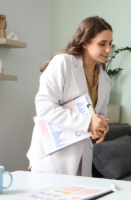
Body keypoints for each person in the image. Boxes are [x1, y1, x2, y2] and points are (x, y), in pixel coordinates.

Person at [27, 16, 112, 176]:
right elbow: (44, 107)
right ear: (85, 42)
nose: (108, 50)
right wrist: (87, 122)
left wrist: (100, 127)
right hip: (53, 156)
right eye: (102, 44)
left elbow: (99, 114)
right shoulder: (63, 62)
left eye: (110, 43)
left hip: (83, 157)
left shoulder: (104, 78)